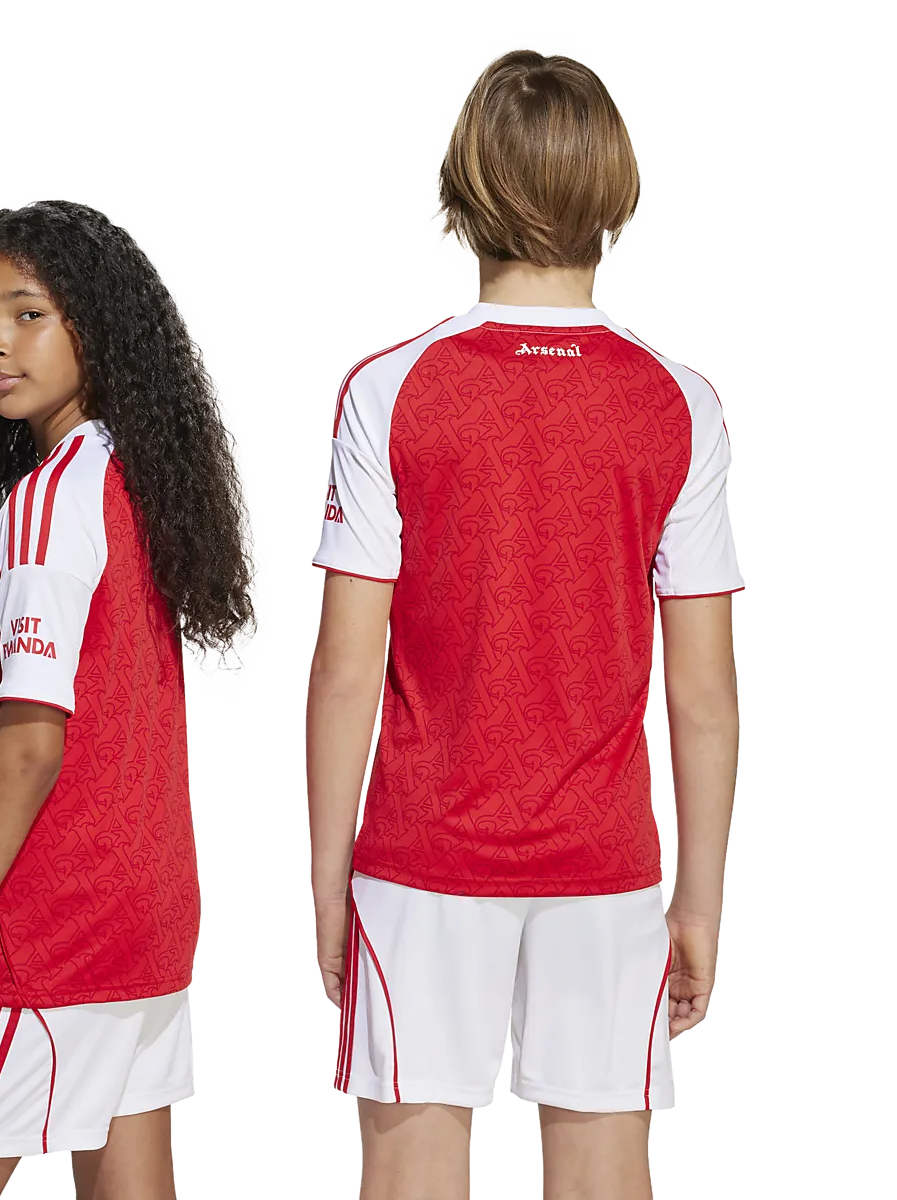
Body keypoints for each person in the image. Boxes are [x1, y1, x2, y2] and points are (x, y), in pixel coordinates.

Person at [307, 49, 744, 1200]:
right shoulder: (677, 403)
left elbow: (344, 670)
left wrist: (328, 885)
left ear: (465, 190)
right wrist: (699, 902)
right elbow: (704, 695)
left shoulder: (389, 389)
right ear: (614, 191)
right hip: (606, 868)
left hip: (419, 863)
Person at [0, 200, 256, 1200]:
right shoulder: (130, 481)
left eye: (27, 314)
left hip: (47, 932)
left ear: (95, 321)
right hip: (145, 914)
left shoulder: (49, 503)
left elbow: (30, 745)